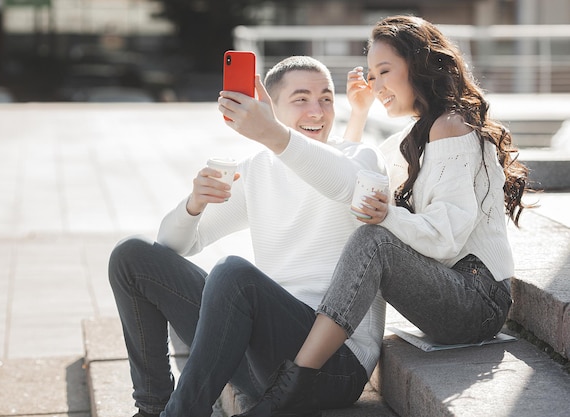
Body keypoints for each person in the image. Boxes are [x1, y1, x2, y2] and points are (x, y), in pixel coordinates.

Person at [236, 15, 535, 417]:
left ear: (418, 65)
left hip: (478, 299)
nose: (375, 87)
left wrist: (387, 218)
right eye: (371, 76)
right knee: (368, 232)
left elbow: (444, 239)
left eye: (384, 72)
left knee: (372, 239)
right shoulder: (409, 140)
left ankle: (295, 381)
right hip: (446, 291)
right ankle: (299, 376)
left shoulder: (452, 128)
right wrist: (356, 115)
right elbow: (352, 183)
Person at [108, 55, 388, 417]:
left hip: (332, 367)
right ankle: (152, 407)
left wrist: (278, 136)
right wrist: (193, 205)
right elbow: (174, 247)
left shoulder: (359, 156)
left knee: (234, 274)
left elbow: (346, 185)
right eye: (301, 99)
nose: (317, 111)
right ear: (270, 106)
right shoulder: (257, 169)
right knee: (132, 256)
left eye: (327, 99)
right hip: (261, 362)